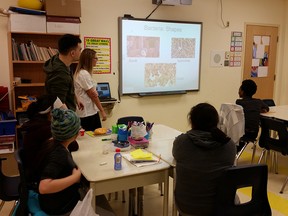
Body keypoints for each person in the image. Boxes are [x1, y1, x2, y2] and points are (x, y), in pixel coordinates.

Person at [172, 103, 236, 216]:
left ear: (192, 122)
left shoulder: (181, 143)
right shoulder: (228, 145)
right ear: (216, 121)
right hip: (221, 208)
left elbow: (176, 156)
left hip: (187, 207)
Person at [37, 108, 82, 215]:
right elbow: (44, 187)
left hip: (49, 201)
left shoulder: (51, 142)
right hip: (59, 207)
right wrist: (74, 178)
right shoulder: (59, 154)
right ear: (75, 134)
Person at [44, 34, 83, 112]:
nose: (80, 53)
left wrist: (75, 98)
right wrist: (73, 120)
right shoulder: (60, 74)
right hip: (64, 119)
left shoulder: (60, 60)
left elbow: (67, 86)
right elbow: (59, 104)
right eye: (80, 50)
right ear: (72, 53)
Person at [74, 48, 107, 131]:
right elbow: (93, 95)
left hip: (89, 111)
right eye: (95, 58)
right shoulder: (83, 74)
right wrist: (102, 111)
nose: (97, 60)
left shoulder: (84, 73)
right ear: (89, 60)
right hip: (87, 113)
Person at [236, 79, 269, 152]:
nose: (238, 91)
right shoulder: (258, 102)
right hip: (253, 134)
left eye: (240, 89)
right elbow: (267, 108)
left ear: (243, 91)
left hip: (241, 133)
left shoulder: (239, 102)